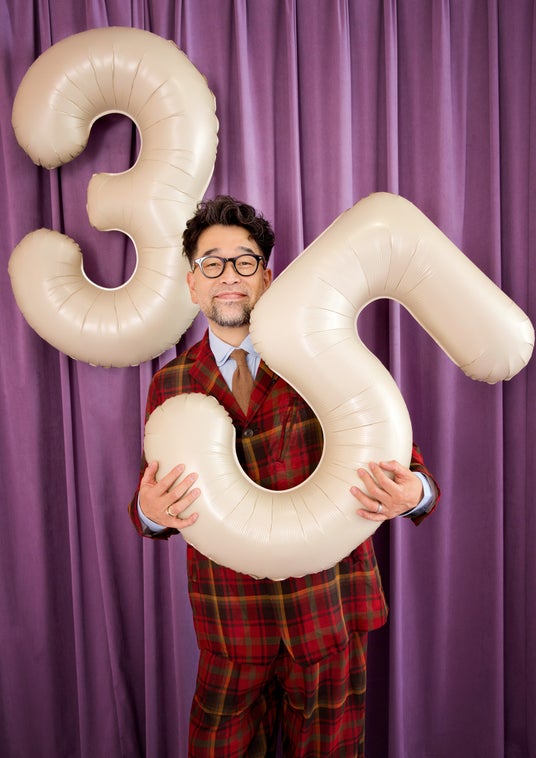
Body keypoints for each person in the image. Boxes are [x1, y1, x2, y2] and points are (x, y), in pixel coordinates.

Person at [129, 195, 440, 758]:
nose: (229, 276)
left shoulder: (323, 355)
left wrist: (415, 494)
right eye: (211, 263)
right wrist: (149, 514)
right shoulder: (169, 384)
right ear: (192, 285)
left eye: (245, 262)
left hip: (327, 617)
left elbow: (410, 467)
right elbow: (154, 499)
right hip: (231, 628)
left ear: (267, 279)